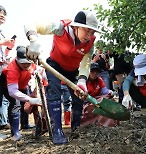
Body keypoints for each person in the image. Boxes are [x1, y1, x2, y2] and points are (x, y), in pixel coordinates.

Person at [24, 10, 101, 144]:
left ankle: (76, 128)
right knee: (54, 93)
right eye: (86, 30)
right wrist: (33, 40)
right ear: (76, 27)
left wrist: (82, 81)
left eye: (92, 32)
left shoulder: (90, 43)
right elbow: (32, 24)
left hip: (72, 70)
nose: (89, 35)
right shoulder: (61, 28)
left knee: (79, 97)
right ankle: (57, 130)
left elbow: (86, 63)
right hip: (54, 66)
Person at [0, 46, 42, 141]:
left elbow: (41, 74)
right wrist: (30, 99)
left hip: (23, 85)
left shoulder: (33, 63)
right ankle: (15, 132)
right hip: (8, 87)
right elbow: (13, 91)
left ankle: (25, 124)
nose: (26, 65)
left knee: (25, 104)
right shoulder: (12, 69)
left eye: (28, 63)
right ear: (18, 60)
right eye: (23, 63)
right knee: (15, 104)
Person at [81, 63, 119, 127]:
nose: (95, 73)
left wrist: (112, 93)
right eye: (92, 71)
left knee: (109, 101)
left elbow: (105, 91)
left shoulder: (99, 80)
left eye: (97, 72)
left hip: (98, 102)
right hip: (86, 104)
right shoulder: (83, 81)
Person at [0, 5, 16, 131]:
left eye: (4, 14)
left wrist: (9, 48)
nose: (2, 16)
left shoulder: (2, 33)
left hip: (1, 66)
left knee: (3, 97)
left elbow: (2, 55)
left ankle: (2, 122)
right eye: (0, 13)